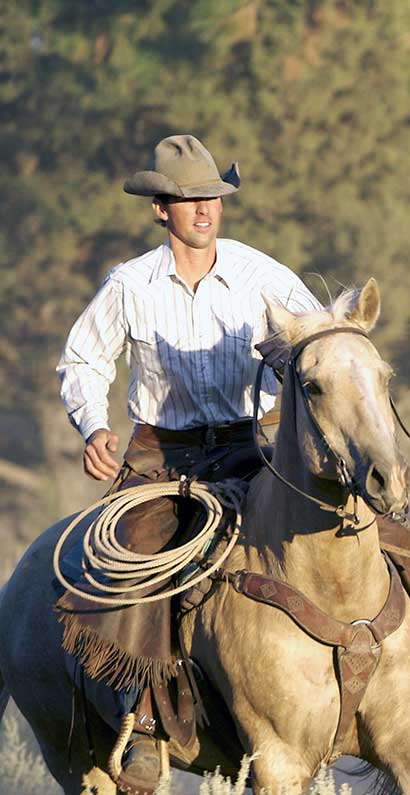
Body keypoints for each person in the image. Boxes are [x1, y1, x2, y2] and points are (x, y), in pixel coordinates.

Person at [56, 134, 319, 794]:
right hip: (160, 453)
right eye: (188, 198)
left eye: (212, 197)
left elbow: (316, 345)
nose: (204, 209)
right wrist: (92, 424)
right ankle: (142, 719)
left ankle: (378, 682)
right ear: (160, 209)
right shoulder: (129, 284)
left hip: (248, 443)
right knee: (142, 555)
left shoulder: (265, 277)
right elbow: (84, 361)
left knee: (331, 528)